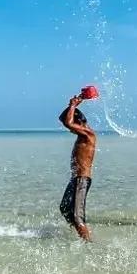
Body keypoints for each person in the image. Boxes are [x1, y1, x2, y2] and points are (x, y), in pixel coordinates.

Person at [58, 94, 97, 241]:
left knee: (77, 215)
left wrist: (73, 105)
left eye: (72, 127)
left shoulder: (88, 134)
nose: (69, 130)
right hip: (75, 179)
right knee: (65, 209)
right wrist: (72, 106)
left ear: (78, 122)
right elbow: (67, 122)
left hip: (82, 179)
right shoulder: (82, 136)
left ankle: (88, 244)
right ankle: (79, 235)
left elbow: (68, 123)